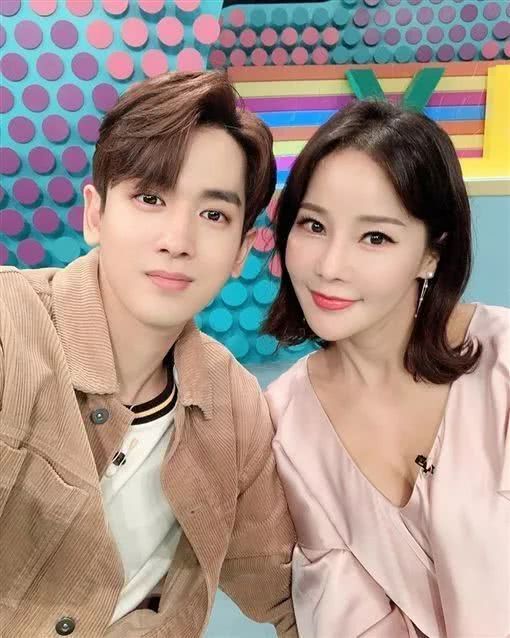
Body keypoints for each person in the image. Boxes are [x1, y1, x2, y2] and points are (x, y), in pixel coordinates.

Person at [0, 71, 297, 638]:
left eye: (214, 214)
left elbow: (285, 587)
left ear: (241, 250)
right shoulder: (10, 329)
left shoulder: (233, 404)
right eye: (150, 198)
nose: (177, 240)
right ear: (95, 214)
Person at [264, 99, 509, 638]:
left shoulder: (504, 363)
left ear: (431, 254)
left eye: (375, 237)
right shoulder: (283, 425)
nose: (330, 266)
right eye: (313, 225)